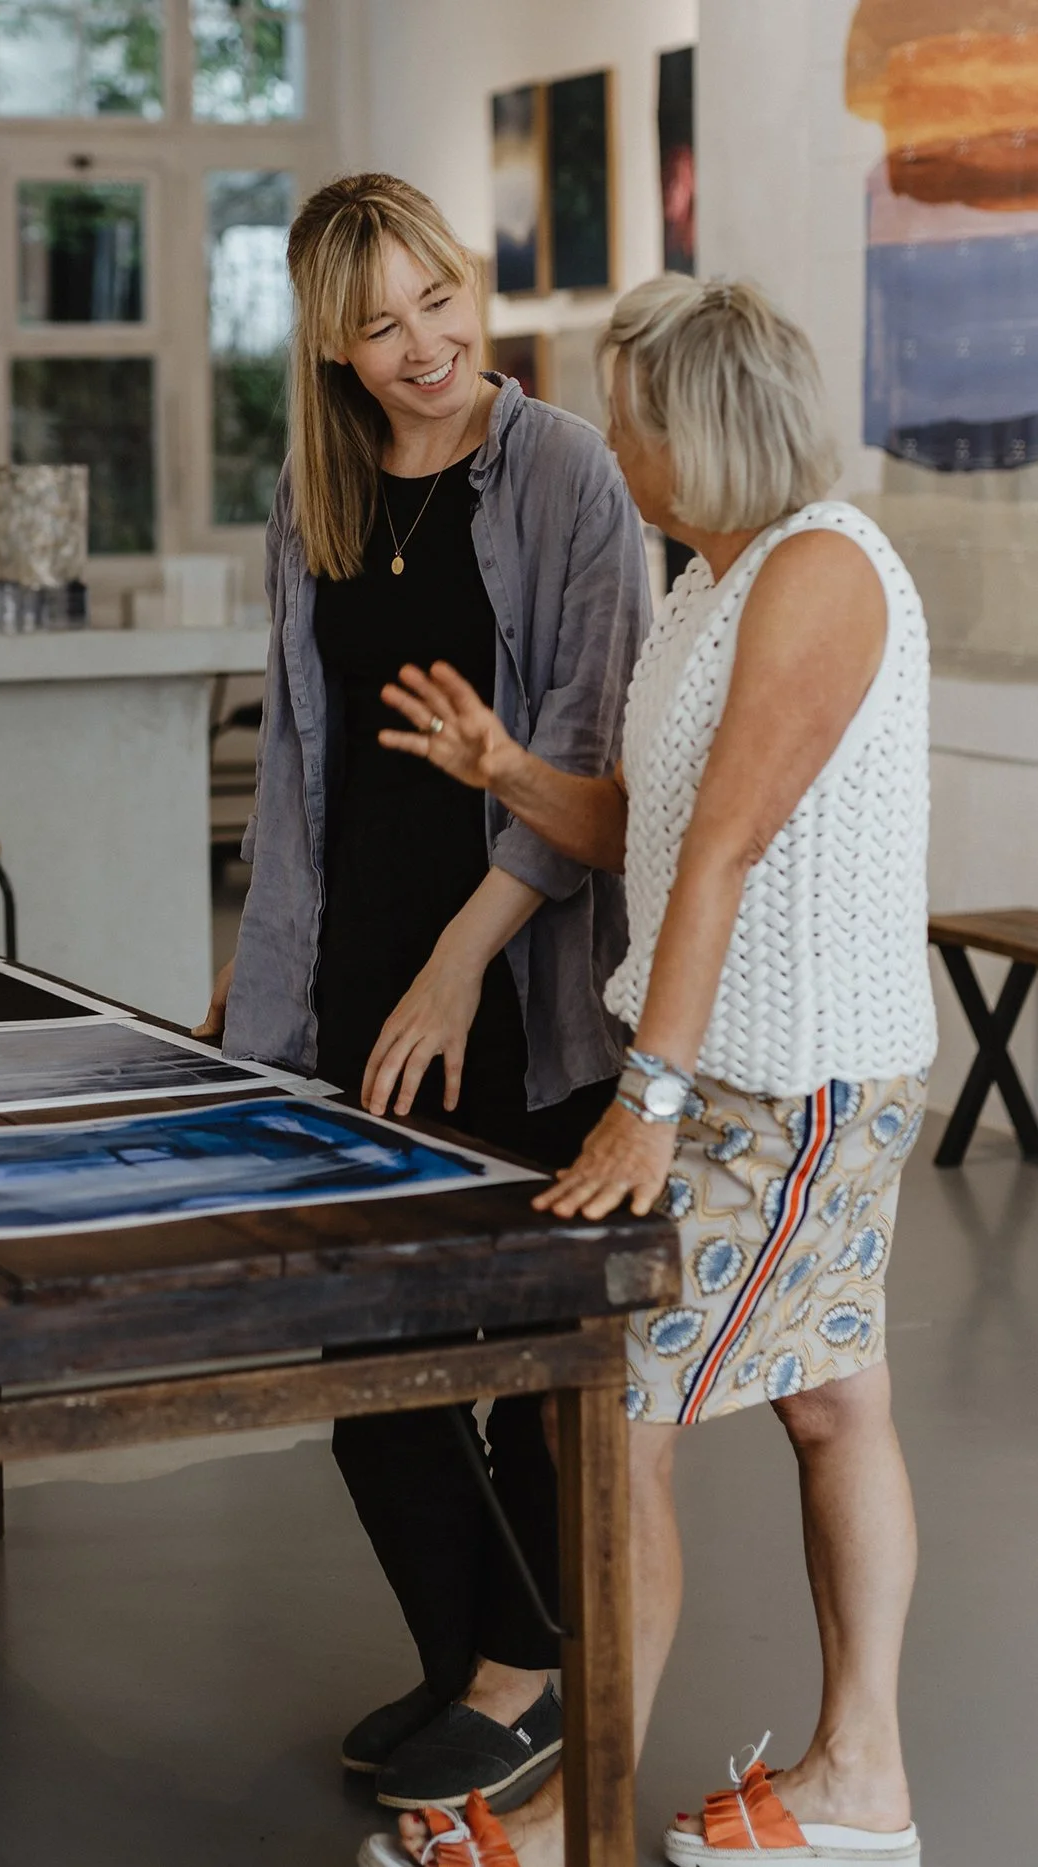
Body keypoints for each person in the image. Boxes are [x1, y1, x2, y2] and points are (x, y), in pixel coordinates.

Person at [371, 274, 934, 1867]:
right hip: (753, 1073)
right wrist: (508, 769)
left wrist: (648, 1102)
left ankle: (573, 1818)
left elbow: (725, 856)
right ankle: (863, 1782)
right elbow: (652, 826)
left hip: (790, 1088)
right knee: (833, 1400)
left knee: (611, 1411)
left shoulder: (820, 570)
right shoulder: (713, 582)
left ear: (704, 428)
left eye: (630, 420)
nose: (611, 444)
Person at [195, 172, 650, 1812]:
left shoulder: (567, 472)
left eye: (438, 300)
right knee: (367, 1360)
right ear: (331, 344)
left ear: (471, 283)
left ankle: (521, 1678)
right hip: (351, 984)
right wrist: (259, 973)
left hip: (514, 985)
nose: (424, 346)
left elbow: (590, 757)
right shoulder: (313, 495)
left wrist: (462, 962)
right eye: (379, 325)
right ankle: (471, 1660)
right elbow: (301, 771)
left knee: (522, 1351)